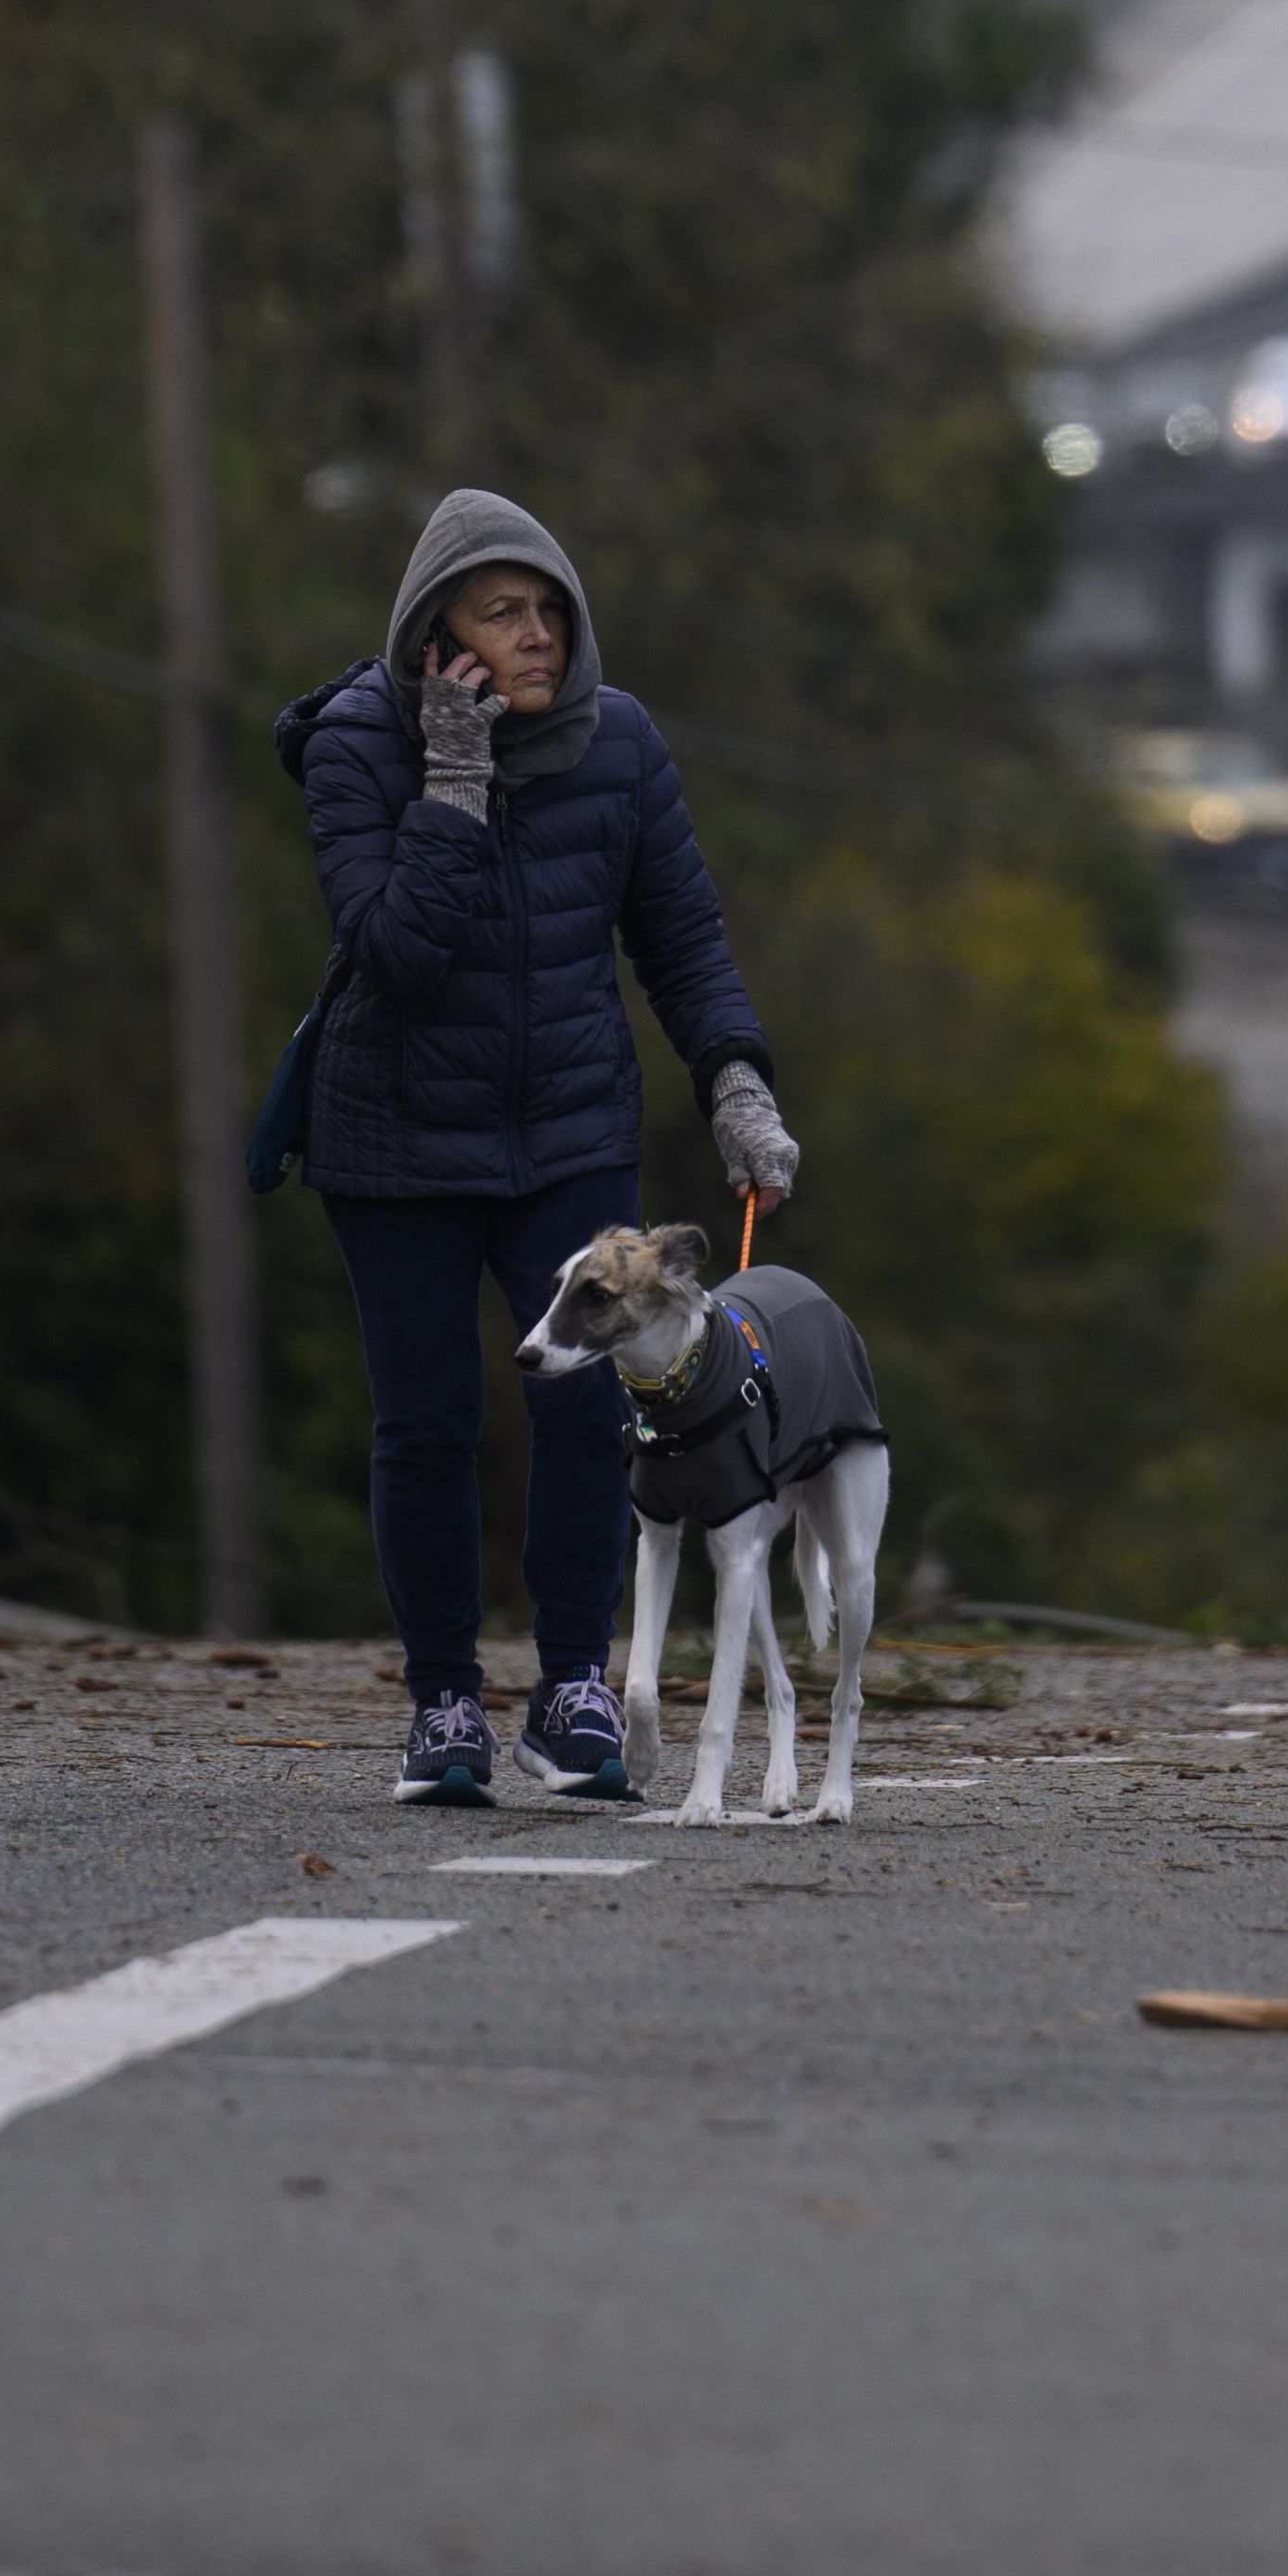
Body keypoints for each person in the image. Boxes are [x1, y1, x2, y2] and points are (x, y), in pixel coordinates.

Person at [285, 485, 798, 1805]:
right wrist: (453, 775)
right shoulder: (357, 744)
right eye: (502, 614)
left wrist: (736, 1083)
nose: (537, 638)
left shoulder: (615, 743)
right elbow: (395, 951)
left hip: (566, 1128)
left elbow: (679, 936)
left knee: (588, 1409)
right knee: (429, 1421)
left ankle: (572, 1688)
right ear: (434, 635)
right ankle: (445, 1705)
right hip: (392, 1134)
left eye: (550, 612)